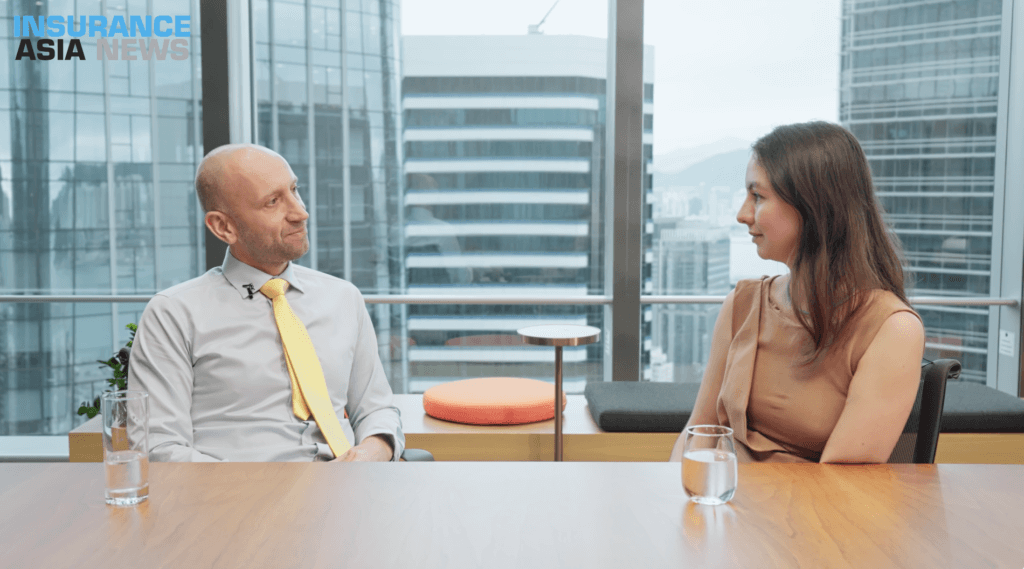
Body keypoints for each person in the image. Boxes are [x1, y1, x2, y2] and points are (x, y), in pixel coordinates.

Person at [127, 144, 404, 462]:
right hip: (235, 489)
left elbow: (377, 409)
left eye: (294, 190)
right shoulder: (173, 314)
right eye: (272, 202)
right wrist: (259, 486)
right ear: (223, 227)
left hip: (346, 482)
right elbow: (160, 448)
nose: (300, 213)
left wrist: (370, 453)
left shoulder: (343, 298)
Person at [669, 122, 925, 464]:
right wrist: (677, 491)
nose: (743, 214)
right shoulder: (742, 304)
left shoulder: (891, 329)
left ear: (814, 206)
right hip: (724, 492)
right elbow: (699, 431)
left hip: (800, 500)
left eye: (758, 197)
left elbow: (842, 482)